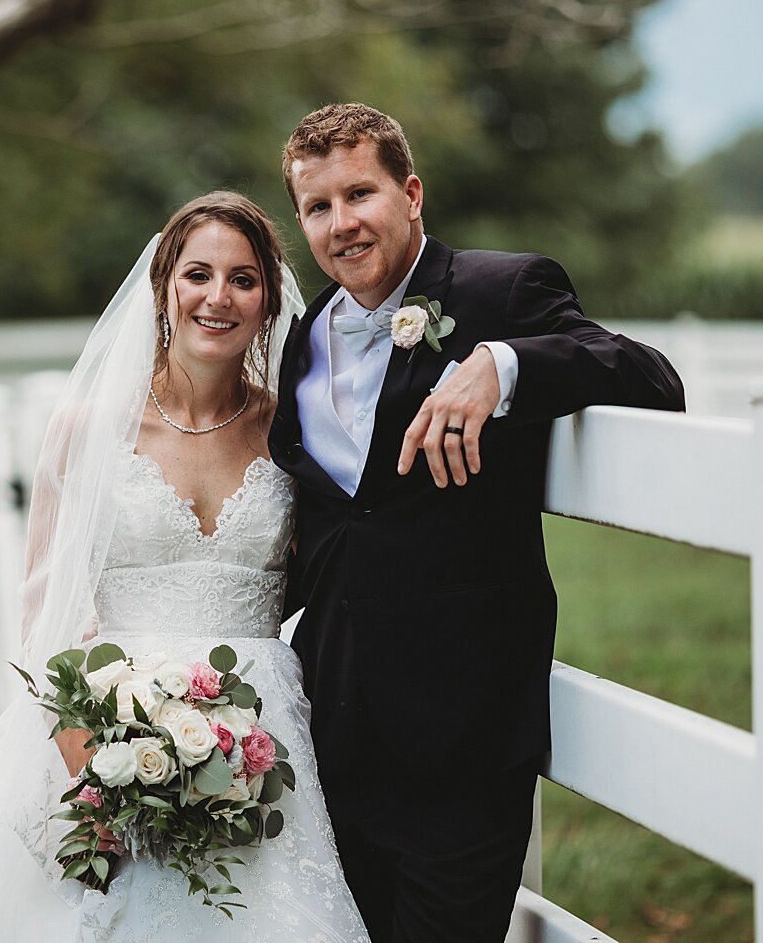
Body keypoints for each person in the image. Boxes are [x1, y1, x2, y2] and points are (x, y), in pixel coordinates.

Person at [0, 191, 371, 942]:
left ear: (270, 302)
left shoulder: (295, 432)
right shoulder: (89, 429)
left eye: (244, 279)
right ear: (163, 289)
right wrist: (99, 775)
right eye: (198, 274)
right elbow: (43, 618)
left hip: (264, 745)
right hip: (107, 738)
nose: (219, 297)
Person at [269, 103, 686, 943]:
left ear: (411, 192)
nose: (342, 223)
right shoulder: (306, 332)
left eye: (361, 193)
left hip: (463, 744)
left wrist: (502, 364)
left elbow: (653, 380)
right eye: (318, 206)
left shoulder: (502, 291)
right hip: (331, 743)